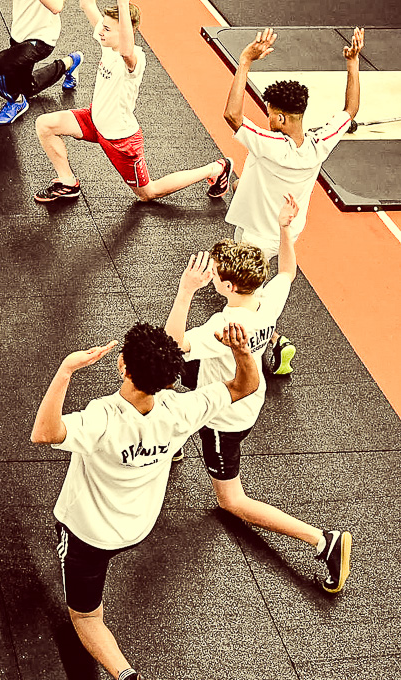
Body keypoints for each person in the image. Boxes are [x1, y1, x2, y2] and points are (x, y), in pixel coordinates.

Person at [30, 322, 259, 680]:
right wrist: (243, 351)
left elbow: (44, 432)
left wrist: (66, 370)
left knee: (86, 618)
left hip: (87, 536)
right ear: (168, 379)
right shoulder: (181, 409)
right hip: (138, 527)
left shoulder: (102, 416)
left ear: (122, 365)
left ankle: (125, 674)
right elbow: (245, 385)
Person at [164, 196, 351, 594]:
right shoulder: (267, 299)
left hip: (225, 417)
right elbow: (288, 269)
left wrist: (185, 291)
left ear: (229, 286)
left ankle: (324, 541)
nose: (211, 278)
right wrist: (285, 228)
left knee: (231, 500)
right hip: (247, 393)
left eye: (215, 276)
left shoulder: (223, 324)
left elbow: (174, 343)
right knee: (176, 379)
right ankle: (174, 439)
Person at [32, 0, 232, 204]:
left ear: (125, 31)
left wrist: (123, 3)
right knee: (45, 124)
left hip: (120, 140)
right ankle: (68, 182)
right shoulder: (106, 43)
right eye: (102, 26)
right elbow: (86, 4)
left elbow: (127, 48)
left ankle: (216, 168)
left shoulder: (134, 58)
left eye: (108, 28)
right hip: (94, 120)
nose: (100, 31)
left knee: (147, 194)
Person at [222, 26, 362, 374]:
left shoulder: (272, 145)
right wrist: (353, 64)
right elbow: (350, 110)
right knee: (259, 289)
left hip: (255, 236)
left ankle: (275, 343)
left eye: (270, 113)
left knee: (244, 300)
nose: (267, 117)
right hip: (287, 233)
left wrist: (245, 61)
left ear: (282, 118)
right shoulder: (318, 143)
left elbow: (232, 116)